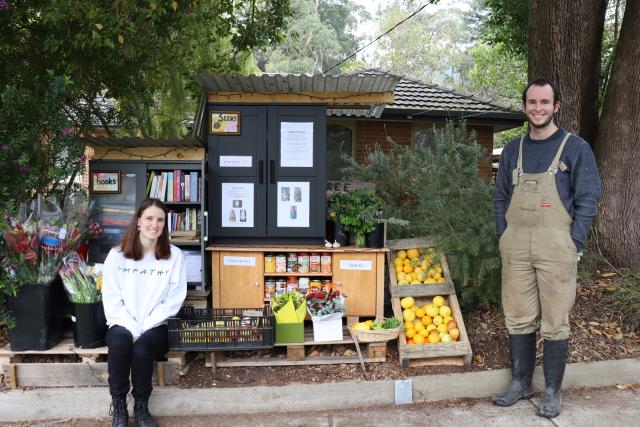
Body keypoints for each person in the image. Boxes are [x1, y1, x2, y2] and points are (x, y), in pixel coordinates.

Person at [492, 78, 601, 418]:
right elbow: (500, 197)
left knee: (555, 320)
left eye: (544, 102)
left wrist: (574, 241)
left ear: (556, 106)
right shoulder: (513, 150)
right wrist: (503, 235)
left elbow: (588, 198)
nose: (537, 108)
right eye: (532, 102)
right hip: (516, 244)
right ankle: (521, 383)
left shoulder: (575, 148)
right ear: (524, 106)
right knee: (517, 315)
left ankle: (552, 392)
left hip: (557, 244)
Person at [102, 198, 187, 427]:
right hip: (122, 322)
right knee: (120, 343)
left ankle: (141, 407)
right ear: (138, 221)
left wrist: (144, 327)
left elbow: (173, 300)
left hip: (156, 325)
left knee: (142, 349)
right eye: (149, 218)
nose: (154, 224)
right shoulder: (117, 255)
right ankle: (119, 406)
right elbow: (112, 299)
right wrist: (132, 328)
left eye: (160, 220)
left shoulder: (174, 256)